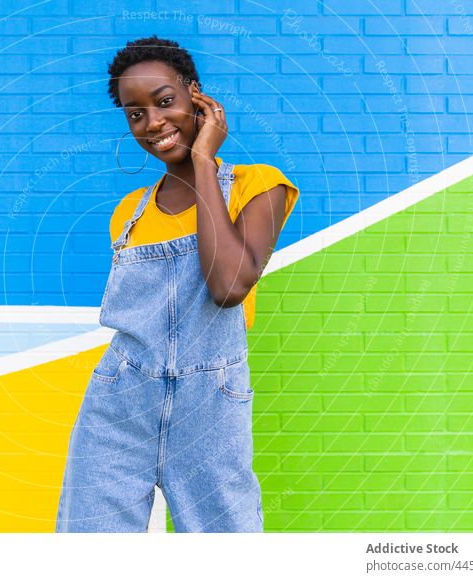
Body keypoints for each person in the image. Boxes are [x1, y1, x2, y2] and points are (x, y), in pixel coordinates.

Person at [55, 36, 299, 533]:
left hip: (211, 401)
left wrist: (205, 163)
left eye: (165, 101)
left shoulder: (260, 187)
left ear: (197, 97)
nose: (153, 123)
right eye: (135, 113)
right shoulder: (129, 213)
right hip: (120, 400)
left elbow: (228, 286)